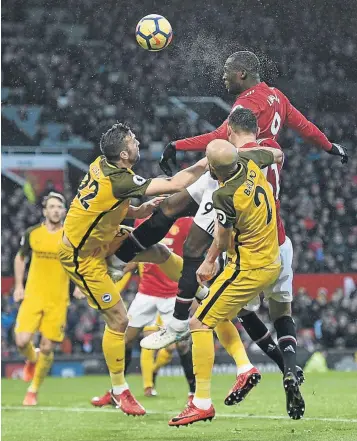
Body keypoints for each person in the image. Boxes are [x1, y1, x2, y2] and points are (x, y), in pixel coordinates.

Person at [113, 50, 348, 350]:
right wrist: (330, 147)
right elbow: (304, 127)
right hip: (240, 176)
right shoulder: (277, 97)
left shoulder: (246, 104)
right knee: (172, 205)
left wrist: (177, 144)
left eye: (226, 71)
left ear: (242, 74)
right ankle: (121, 259)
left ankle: (178, 321)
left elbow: (217, 138)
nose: (222, 77)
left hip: (234, 180)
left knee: (194, 245)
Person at [58, 122, 207, 416]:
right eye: (133, 140)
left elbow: (104, 201)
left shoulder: (101, 164)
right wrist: (206, 161)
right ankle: (119, 391)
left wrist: (137, 211)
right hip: (82, 256)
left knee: (159, 252)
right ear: (124, 154)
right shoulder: (120, 180)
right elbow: (176, 184)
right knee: (118, 320)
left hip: (101, 236)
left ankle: (200, 290)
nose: (138, 142)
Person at [169, 140, 301, 427]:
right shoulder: (253, 162)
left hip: (246, 268)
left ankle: (201, 402)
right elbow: (279, 153)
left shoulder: (224, 195)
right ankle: (247, 367)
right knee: (223, 310)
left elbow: (224, 239)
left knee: (199, 322)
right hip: (273, 258)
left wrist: (209, 260)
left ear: (214, 170)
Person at [91, 217, 196, 407]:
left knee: (182, 344)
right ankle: (117, 391)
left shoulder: (186, 222)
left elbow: (194, 251)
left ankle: (194, 392)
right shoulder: (142, 219)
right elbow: (136, 253)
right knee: (124, 339)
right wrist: (120, 269)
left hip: (173, 293)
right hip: (146, 293)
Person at [13, 192, 84, 406]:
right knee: (21, 341)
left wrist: (80, 286)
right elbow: (20, 257)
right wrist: (18, 285)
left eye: (58, 207)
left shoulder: (70, 236)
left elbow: (81, 261)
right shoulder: (33, 233)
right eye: (51, 206)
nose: (55, 210)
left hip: (58, 300)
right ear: (45, 211)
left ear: (64, 211)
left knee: (47, 347)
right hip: (33, 296)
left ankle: (33, 390)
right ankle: (31, 359)